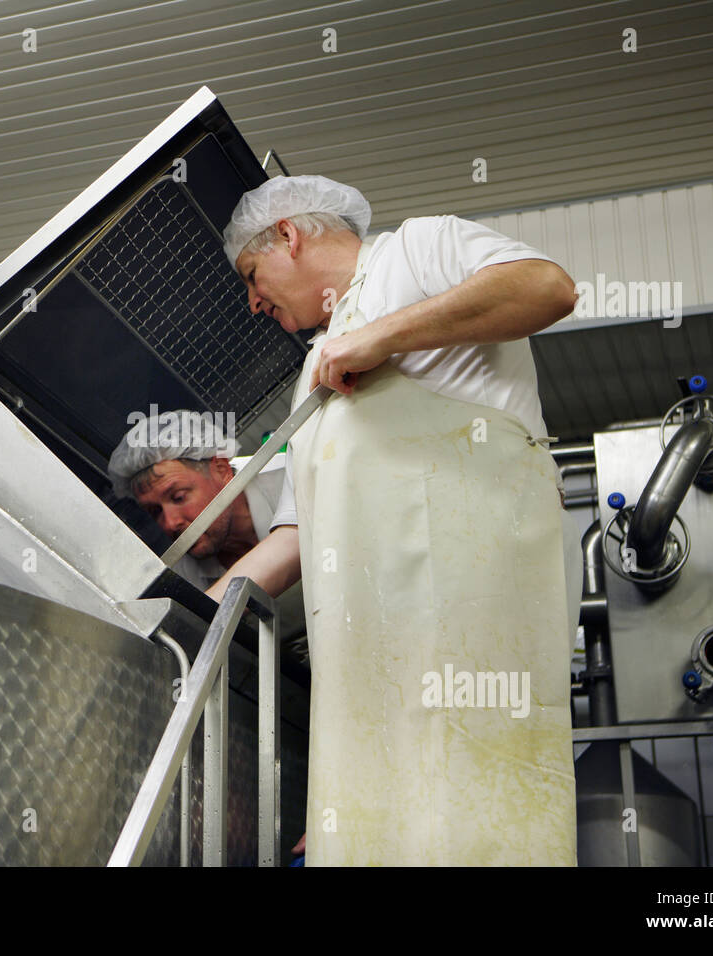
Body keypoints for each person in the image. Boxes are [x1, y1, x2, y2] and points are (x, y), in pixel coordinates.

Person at [208, 174, 580, 866]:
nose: (254, 302)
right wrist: (197, 612)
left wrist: (383, 334)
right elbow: (295, 536)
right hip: (374, 658)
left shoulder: (416, 250)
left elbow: (547, 287)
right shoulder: (314, 371)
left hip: (476, 629)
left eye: (253, 276)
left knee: (484, 812)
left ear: (288, 234)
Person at [107, 409, 295, 591]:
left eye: (179, 497)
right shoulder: (185, 573)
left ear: (221, 470)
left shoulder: (289, 479)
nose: (170, 523)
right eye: (155, 512)